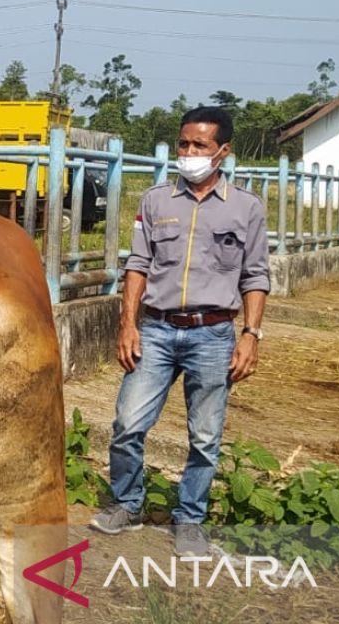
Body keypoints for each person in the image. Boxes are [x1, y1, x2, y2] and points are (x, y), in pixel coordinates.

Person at [90, 106, 270, 557]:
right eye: (183, 144)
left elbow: (255, 276)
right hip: (155, 330)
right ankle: (126, 504)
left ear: (223, 152)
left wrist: (251, 334)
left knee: (205, 437)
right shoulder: (155, 200)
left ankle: (190, 519)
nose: (188, 153)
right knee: (127, 424)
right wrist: (127, 325)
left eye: (200, 146)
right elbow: (137, 266)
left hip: (213, 335)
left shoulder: (247, 208)